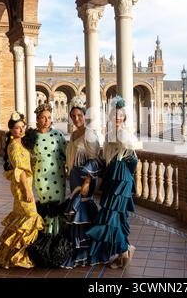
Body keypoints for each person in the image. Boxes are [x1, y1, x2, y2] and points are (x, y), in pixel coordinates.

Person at [86, 95, 137, 269]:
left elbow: (134, 160)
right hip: (113, 179)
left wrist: (123, 173)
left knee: (109, 216)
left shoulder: (123, 134)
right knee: (118, 217)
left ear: (124, 117)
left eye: (121, 115)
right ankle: (124, 251)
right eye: (115, 115)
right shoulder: (109, 135)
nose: (118, 117)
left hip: (121, 181)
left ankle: (124, 249)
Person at [0, 112, 44, 269]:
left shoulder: (21, 143)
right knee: (31, 217)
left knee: (20, 218)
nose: (21, 130)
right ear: (11, 130)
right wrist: (27, 191)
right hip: (21, 186)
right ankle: (19, 256)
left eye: (23, 127)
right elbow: (20, 170)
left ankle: (8, 255)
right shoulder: (15, 147)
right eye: (17, 128)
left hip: (24, 185)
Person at [24, 103, 69, 267]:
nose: (46, 120)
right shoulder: (31, 137)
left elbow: (67, 155)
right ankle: (45, 247)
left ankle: (58, 248)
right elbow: (25, 158)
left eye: (49, 118)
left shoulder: (58, 135)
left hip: (57, 177)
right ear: (37, 119)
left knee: (57, 208)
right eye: (43, 117)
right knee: (47, 208)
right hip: (41, 179)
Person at [60, 96, 100, 269]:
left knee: (80, 211)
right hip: (74, 178)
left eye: (79, 116)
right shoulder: (75, 133)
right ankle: (79, 253)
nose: (77, 119)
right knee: (77, 213)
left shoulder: (90, 134)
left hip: (85, 179)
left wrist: (87, 182)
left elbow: (95, 160)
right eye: (73, 116)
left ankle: (84, 254)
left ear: (84, 115)